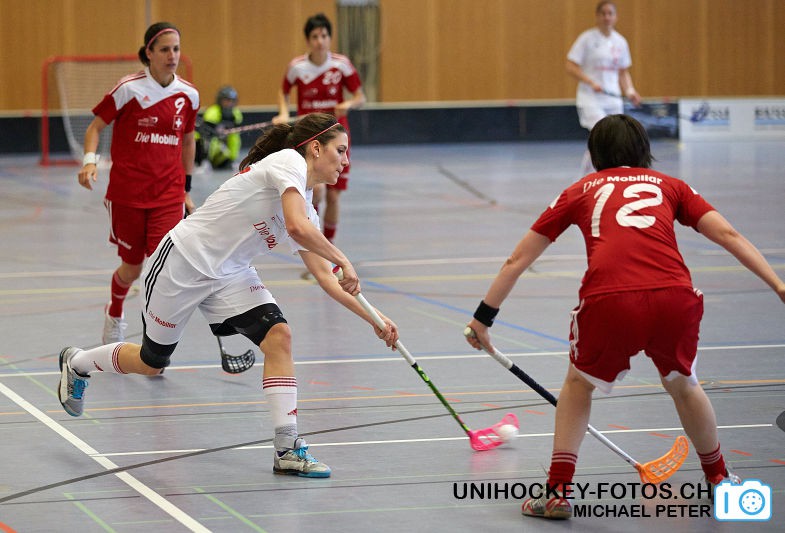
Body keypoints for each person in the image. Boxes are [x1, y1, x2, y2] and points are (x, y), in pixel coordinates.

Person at [464, 114, 785, 519]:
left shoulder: (580, 189)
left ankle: (558, 492)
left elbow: (518, 259)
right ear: (643, 151)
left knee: (578, 384)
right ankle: (720, 480)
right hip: (674, 296)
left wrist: (483, 318)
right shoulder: (671, 185)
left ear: (595, 155)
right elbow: (728, 235)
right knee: (684, 384)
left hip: (610, 299)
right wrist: (778, 285)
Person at [58, 112, 400, 478]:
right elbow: (297, 229)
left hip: (230, 274)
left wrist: (375, 319)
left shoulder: (309, 207)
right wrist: (343, 258)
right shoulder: (288, 162)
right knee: (151, 361)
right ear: (315, 148)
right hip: (183, 262)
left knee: (279, 336)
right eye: (341, 151)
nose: (346, 161)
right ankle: (77, 363)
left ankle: (287, 448)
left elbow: (325, 277)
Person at [78, 22, 199, 345]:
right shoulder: (128, 89)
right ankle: (115, 312)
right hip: (127, 195)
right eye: (164, 50)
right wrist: (90, 162)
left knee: (162, 270)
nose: (172, 56)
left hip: (168, 194)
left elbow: (188, 142)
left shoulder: (188, 95)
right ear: (149, 53)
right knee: (131, 270)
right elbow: (95, 127)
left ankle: (155, 338)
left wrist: (185, 188)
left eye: (176, 49)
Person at [273, 13, 366, 244]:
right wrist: (284, 112)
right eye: (315, 36)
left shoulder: (341, 65)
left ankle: (328, 247)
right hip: (310, 136)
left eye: (324, 35)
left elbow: (360, 96)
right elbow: (283, 91)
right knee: (315, 192)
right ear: (308, 40)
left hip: (337, 136)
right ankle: (313, 244)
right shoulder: (297, 67)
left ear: (329, 38)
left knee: (333, 195)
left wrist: (349, 103)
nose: (320, 41)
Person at [567, 1, 641, 177]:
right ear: (597, 16)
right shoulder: (587, 39)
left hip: (612, 99)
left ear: (615, 17)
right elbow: (570, 66)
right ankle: (585, 179)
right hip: (591, 98)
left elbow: (623, 72)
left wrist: (630, 91)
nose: (607, 17)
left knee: (615, 141)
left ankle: (607, 177)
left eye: (610, 14)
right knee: (600, 137)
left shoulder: (620, 42)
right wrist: (590, 81)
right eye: (603, 13)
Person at [195, 85, 243, 170]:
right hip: (203, 145)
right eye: (226, 100)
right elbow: (205, 133)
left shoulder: (236, 114)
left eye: (232, 101)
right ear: (220, 100)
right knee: (207, 138)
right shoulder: (212, 112)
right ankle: (204, 162)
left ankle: (232, 160)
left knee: (235, 136)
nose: (229, 103)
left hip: (221, 144)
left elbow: (234, 136)